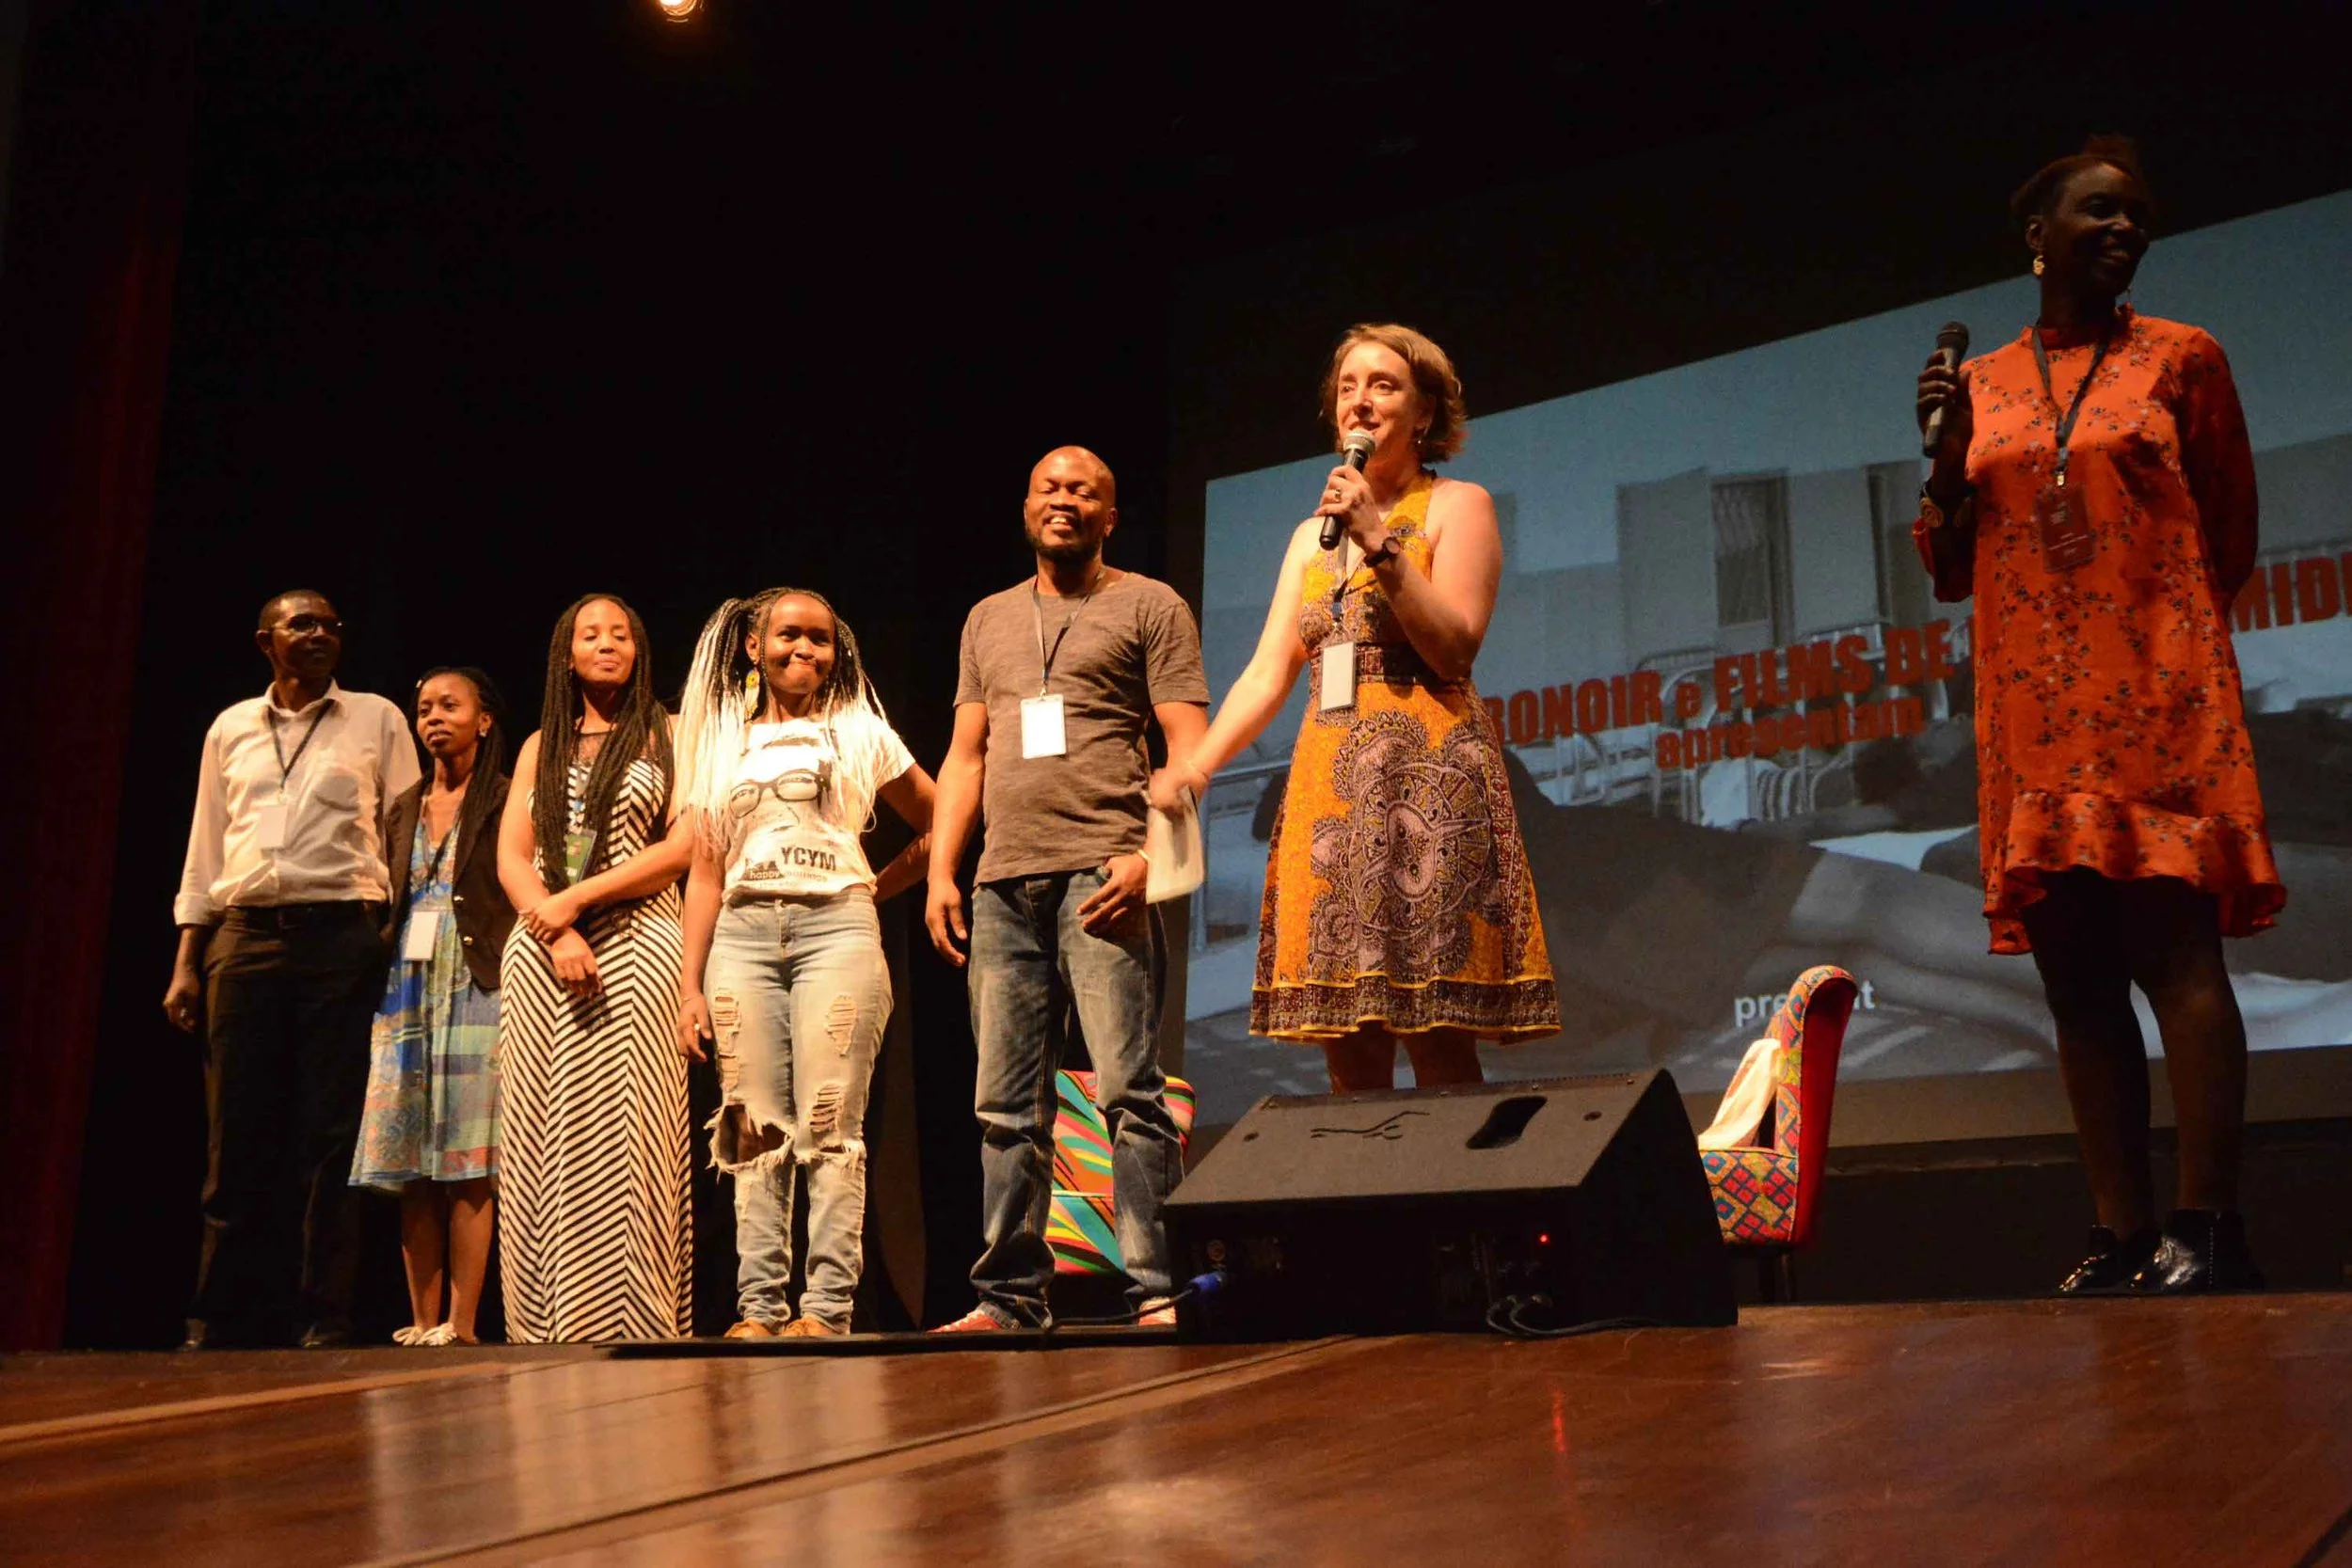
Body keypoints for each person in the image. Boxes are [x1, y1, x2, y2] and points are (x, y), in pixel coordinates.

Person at [1914, 135, 2280, 1293]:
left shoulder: (2184, 357)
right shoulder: (1978, 385)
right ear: (2037, 235)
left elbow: (2227, 524)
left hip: (2158, 694)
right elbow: (1949, 563)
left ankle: (2207, 1222)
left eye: (2137, 218)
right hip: (2030, 712)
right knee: (2074, 977)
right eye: (2099, 212)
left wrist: (2155, 638)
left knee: (2176, 953)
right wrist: (1938, 468)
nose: (2124, 230)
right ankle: (2119, 1230)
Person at [1151, 323, 1559, 1092]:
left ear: (1425, 413)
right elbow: (1269, 671)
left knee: (1438, 1041)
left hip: (1429, 793)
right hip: (1330, 799)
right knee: (1349, 1044)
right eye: (1348, 387)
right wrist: (1193, 768)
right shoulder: (1311, 535)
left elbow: (1455, 648)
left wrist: (1380, 539)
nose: (1360, 402)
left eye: (1384, 385)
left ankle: (1461, 1209)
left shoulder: (1457, 505)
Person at [925, 446, 1209, 1331]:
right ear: (1025, 506)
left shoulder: (1149, 604)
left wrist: (1147, 858)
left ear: (1109, 516)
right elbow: (966, 755)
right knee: (1005, 1104)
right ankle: (1007, 1295)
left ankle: (1156, 1288)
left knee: (1131, 1090)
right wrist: (942, 866)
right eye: (1049, 486)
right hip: (1004, 883)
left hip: (1104, 875)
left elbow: (1185, 743)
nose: (1065, 500)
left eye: (1084, 490)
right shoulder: (987, 619)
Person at [673, 588, 936, 1338]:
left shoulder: (859, 729)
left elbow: (944, 813)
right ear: (753, 646)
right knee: (751, 1125)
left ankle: (825, 1308)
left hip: (836, 932)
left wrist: (873, 889)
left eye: (820, 638)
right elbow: (705, 872)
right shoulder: (721, 740)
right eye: (789, 635)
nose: (805, 650)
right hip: (742, 937)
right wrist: (689, 985)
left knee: (829, 1121)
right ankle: (758, 1309)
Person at [166, 591, 419, 1349]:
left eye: (331, 625)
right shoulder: (231, 728)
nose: (319, 634)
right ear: (264, 640)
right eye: (301, 624)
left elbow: (404, 836)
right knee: (234, 1137)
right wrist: (188, 959)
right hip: (242, 938)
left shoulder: (376, 717)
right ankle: (218, 1314)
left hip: (340, 934)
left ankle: (324, 1314)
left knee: (330, 1134)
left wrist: (384, 935)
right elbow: (206, 846)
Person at [495, 594, 695, 1341]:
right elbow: (512, 857)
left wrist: (572, 900)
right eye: (590, 634)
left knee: (630, 1129)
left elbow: (680, 850)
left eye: (621, 634)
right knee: (543, 1130)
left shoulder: (669, 734)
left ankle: (632, 1318)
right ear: (566, 653)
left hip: (638, 941)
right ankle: (544, 1321)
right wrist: (553, 929)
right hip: (544, 952)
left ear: (639, 650)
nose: (606, 644)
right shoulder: (537, 745)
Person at [350, 667, 513, 1346]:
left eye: (450, 705)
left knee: (469, 1158)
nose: (434, 717)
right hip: (406, 984)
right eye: (424, 709)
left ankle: (464, 1321)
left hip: (475, 978)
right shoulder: (404, 804)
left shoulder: (505, 797)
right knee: (414, 1157)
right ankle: (422, 1319)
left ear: (484, 720)